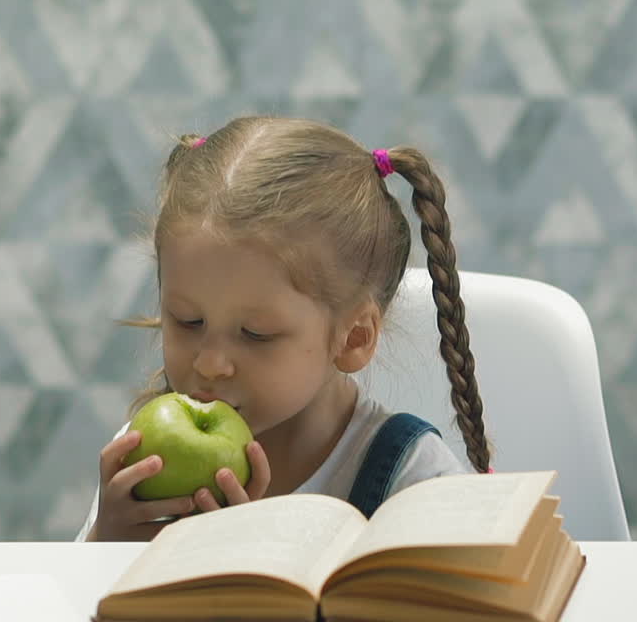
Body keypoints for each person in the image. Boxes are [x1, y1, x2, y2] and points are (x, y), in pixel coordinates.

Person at [77, 116, 491, 542]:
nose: (210, 363)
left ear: (354, 337)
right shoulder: (142, 461)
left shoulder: (417, 481)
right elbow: (66, 604)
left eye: (255, 334)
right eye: (188, 321)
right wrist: (107, 543)